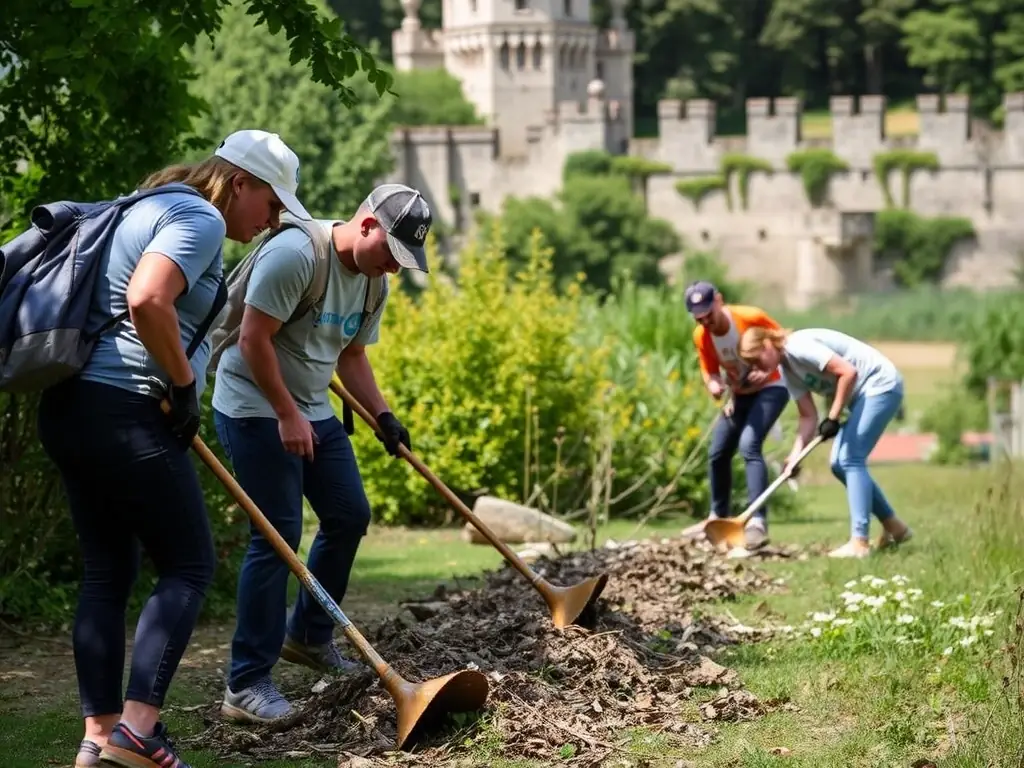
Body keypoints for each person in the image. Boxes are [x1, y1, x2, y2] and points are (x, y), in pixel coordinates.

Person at [37, 128, 312, 768]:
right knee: (189, 564)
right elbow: (147, 299)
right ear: (239, 182)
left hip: (71, 408)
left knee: (108, 573)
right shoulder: (198, 216)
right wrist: (185, 386)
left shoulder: (148, 202)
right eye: (271, 205)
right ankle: (138, 731)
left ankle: (100, 739)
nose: (271, 221)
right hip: (125, 412)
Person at [210, 183, 432, 724]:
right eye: (391, 254)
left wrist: (382, 416)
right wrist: (285, 412)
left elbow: (350, 354)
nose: (395, 269)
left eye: (405, 261)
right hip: (252, 404)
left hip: (310, 406)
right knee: (278, 535)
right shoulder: (295, 256)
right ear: (366, 225)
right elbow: (252, 340)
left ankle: (308, 635)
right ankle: (246, 683)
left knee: (349, 514)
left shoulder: (373, 284)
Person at [737, 325, 915, 559]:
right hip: (863, 396)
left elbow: (847, 372)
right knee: (839, 464)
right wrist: (795, 455)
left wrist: (833, 416)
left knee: (851, 459)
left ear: (767, 344)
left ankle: (859, 543)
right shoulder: (787, 369)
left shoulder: (798, 346)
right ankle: (895, 528)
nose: (758, 369)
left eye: (757, 360)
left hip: (880, 385)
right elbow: (808, 415)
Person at [681, 281, 790, 550]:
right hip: (739, 394)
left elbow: (784, 341)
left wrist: (767, 369)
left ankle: (757, 523)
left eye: (709, 312)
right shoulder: (702, 336)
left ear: (719, 300)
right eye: (699, 317)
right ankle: (717, 519)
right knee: (718, 451)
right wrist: (714, 386)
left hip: (772, 386)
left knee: (749, 445)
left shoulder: (749, 317)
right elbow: (710, 370)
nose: (706, 320)